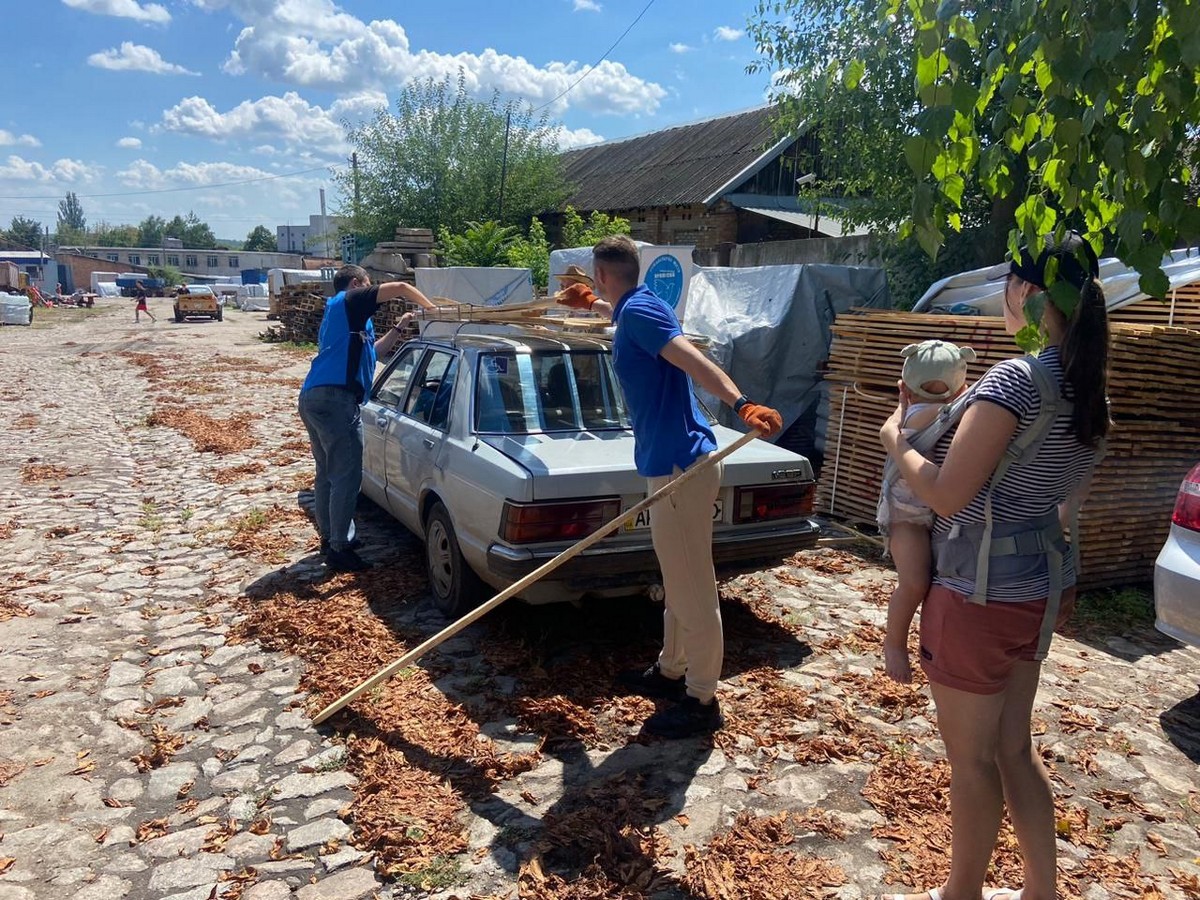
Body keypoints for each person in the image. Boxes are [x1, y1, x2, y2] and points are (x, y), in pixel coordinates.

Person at [877, 232, 1108, 900]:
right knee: (1013, 749)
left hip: (975, 596)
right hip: (1036, 596)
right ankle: (1042, 892)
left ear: (1029, 293)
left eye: (1010, 285)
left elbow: (946, 493)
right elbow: (1068, 511)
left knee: (972, 760)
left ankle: (961, 895)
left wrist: (897, 442)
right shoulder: (1091, 390)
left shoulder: (1016, 381)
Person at [558, 235, 783, 739]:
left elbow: (692, 359)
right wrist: (595, 306)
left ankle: (702, 698)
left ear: (600, 273)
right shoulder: (638, 305)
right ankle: (671, 669)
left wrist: (741, 402)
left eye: (593, 285)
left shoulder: (639, 313)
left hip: (682, 468)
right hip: (673, 465)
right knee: (676, 576)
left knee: (692, 586)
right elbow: (630, 323)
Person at [299, 264, 436, 572]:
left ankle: (331, 537)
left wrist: (400, 327)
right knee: (346, 476)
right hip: (336, 401)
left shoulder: (343, 318)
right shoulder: (349, 300)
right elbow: (401, 287)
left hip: (315, 397)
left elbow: (373, 352)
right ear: (357, 283)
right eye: (368, 285)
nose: (371, 290)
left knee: (327, 474)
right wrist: (433, 309)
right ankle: (339, 548)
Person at [877, 339, 975, 684]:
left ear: (904, 385)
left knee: (930, 584)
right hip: (907, 519)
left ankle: (920, 641)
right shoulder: (928, 413)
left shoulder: (913, 411)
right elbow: (958, 407)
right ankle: (894, 644)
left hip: (926, 514)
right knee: (914, 583)